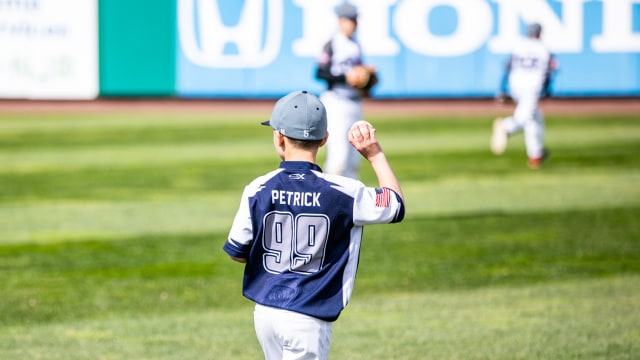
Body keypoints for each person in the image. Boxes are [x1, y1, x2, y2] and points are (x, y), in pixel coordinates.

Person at [223, 90, 405, 360]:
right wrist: (374, 154)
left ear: (279, 137)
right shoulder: (344, 191)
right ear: (324, 139)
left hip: (265, 313)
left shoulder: (257, 188)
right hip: (308, 316)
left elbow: (238, 252)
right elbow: (395, 205)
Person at [315, 2, 378, 179]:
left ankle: (350, 203)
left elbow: (359, 79)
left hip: (354, 103)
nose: (353, 24)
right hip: (336, 103)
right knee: (338, 158)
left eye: (355, 20)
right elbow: (320, 73)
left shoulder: (355, 45)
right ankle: (329, 200)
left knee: (353, 159)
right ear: (340, 20)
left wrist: (366, 83)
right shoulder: (332, 43)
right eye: (350, 20)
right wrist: (346, 78)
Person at [491, 23, 558, 169]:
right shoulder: (544, 49)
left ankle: (535, 155)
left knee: (535, 119)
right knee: (524, 117)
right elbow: (551, 70)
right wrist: (547, 90)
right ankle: (506, 126)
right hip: (532, 87)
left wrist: (502, 89)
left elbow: (507, 67)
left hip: (516, 85)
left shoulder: (519, 45)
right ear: (540, 33)